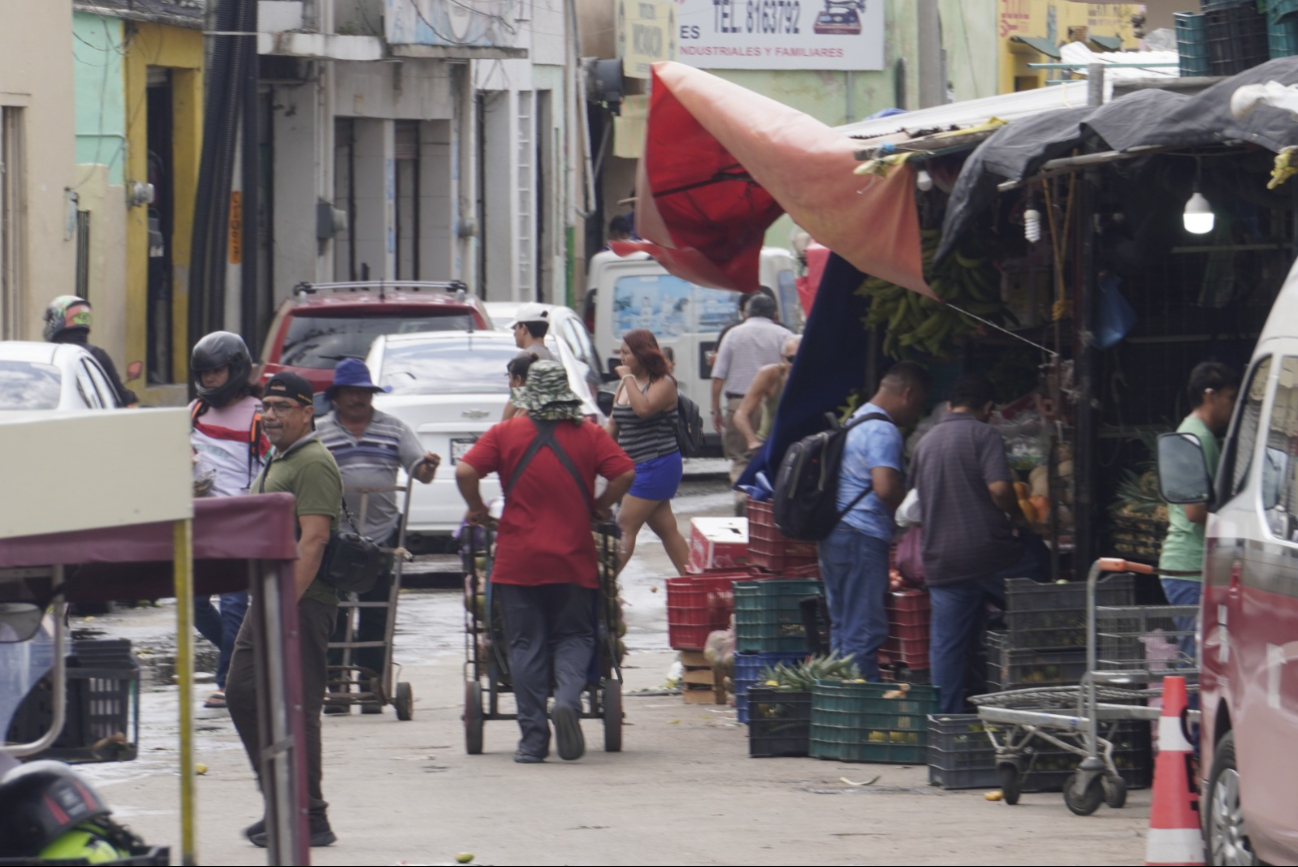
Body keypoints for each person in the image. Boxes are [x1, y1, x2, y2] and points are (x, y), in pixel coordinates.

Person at [456, 361, 635, 763]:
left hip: (517, 562)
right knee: (575, 637)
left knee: (525, 645)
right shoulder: (588, 434)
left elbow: (465, 469)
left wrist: (477, 509)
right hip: (573, 560)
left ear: (528, 396)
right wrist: (600, 506)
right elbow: (624, 472)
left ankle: (533, 742)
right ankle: (567, 701)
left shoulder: (505, 433)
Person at [225, 371, 343, 848]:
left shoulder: (313, 463)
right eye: (266, 407)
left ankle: (310, 815)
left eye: (281, 407)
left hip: (300, 603)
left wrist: (280, 610)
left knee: (300, 709)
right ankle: (282, 799)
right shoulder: (282, 457)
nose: (270, 416)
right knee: (243, 692)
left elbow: (313, 540)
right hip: (272, 599)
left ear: (306, 411)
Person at [909, 373, 1044, 715]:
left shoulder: (924, 444)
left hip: (942, 561)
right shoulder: (984, 434)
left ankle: (947, 720)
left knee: (947, 645)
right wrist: (1016, 515)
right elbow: (1000, 489)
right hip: (988, 555)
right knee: (1041, 576)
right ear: (986, 408)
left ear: (951, 404)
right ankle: (1042, 682)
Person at [317, 359, 440, 712]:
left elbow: (422, 472)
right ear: (337, 397)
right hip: (336, 537)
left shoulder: (394, 429)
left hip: (382, 536)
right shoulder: (319, 433)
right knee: (334, 613)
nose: (358, 398)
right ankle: (336, 689)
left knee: (376, 613)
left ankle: (371, 688)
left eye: (364, 392)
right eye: (351, 392)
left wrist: (428, 466)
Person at [818, 362, 930, 680]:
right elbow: (884, 487)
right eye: (919, 403)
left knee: (842, 626)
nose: (916, 413)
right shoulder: (883, 429)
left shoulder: (856, 420)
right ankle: (861, 715)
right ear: (908, 394)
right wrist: (911, 515)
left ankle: (839, 703)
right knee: (863, 631)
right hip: (861, 535)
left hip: (836, 532)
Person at [188, 332, 269, 710]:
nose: (210, 381)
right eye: (204, 374)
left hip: (238, 524)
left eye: (216, 372)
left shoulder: (260, 415)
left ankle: (227, 682)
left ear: (235, 370)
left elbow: (273, 466)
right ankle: (250, 662)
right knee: (196, 605)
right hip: (198, 524)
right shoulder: (195, 413)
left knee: (235, 603)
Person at [1159, 362, 1239, 654]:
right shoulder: (1196, 438)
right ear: (1210, 395)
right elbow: (1194, 511)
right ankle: (1187, 702)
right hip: (1189, 569)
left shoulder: (1197, 434)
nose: (1234, 405)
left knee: (1200, 658)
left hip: (1192, 568)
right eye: (1230, 397)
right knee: (1197, 662)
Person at [605, 329, 691, 576]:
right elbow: (613, 424)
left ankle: (604, 588)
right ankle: (696, 584)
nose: (621, 359)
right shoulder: (626, 383)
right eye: (620, 353)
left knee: (625, 526)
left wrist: (628, 378)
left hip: (656, 463)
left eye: (626, 353)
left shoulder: (664, 384)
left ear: (642, 355)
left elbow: (643, 409)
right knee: (667, 530)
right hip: (633, 466)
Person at [709, 294, 792, 513]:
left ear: (746, 312)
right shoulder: (786, 335)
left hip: (739, 405)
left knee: (740, 459)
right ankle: (769, 506)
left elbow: (718, 375)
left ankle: (742, 498)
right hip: (775, 406)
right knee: (774, 457)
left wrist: (715, 409)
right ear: (774, 314)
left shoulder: (733, 334)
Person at [42, 296, 137, 406]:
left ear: (60, 318)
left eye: (50, 318)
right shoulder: (96, 355)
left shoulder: (45, 354)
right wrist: (132, 396)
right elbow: (120, 395)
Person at [733, 335, 802, 455]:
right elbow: (741, 414)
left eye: (803, 358)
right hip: (769, 442)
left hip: (804, 443)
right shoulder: (770, 374)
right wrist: (752, 441)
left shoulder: (816, 374)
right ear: (783, 358)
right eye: (792, 359)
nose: (797, 364)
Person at [501, 352, 538, 422]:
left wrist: (514, 399)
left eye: (510, 377)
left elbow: (502, 429)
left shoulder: (522, 412)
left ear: (518, 380)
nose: (509, 383)